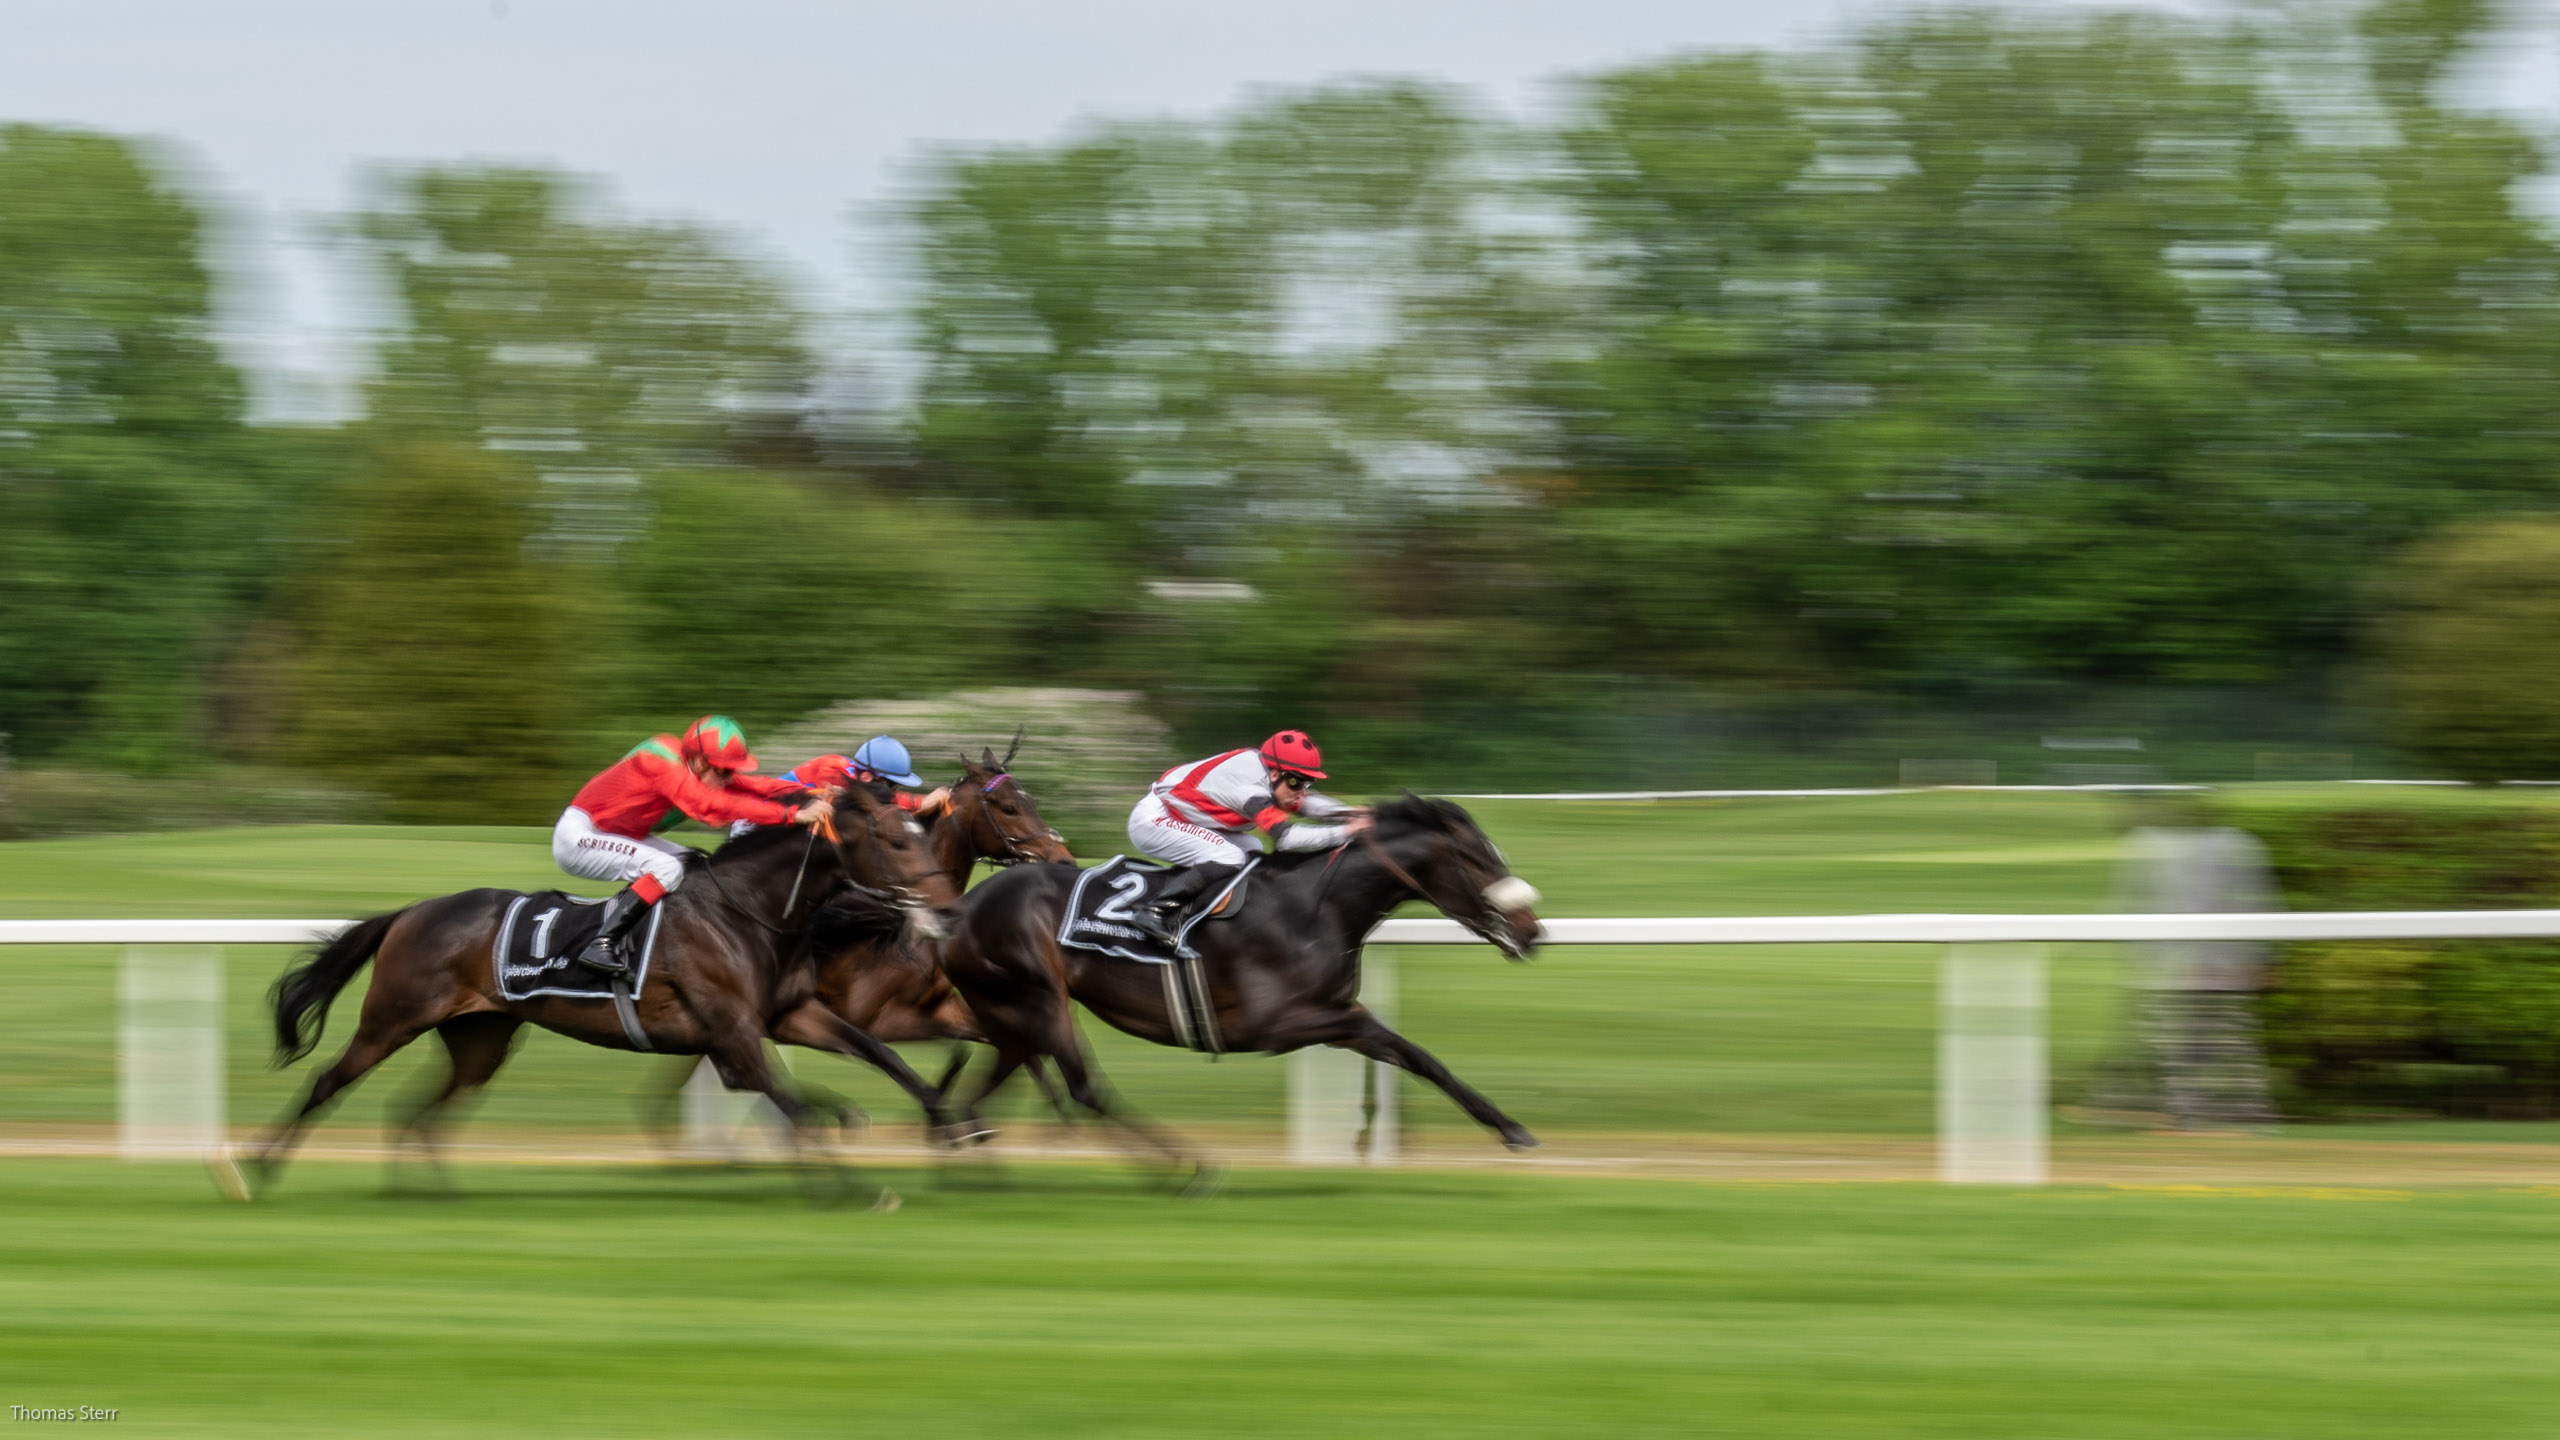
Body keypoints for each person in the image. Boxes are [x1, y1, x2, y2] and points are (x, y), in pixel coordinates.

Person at [553, 715, 832, 973]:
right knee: (666, 869)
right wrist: (791, 815)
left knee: (695, 864)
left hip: (619, 835)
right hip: (581, 836)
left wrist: (813, 791)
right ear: (699, 762)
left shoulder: (699, 767)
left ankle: (661, 937)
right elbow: (707, 806)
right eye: (725, 771)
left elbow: (756, 786)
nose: (729, 778)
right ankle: (601, 944)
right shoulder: (661, 762)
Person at [1124, 730, 1371, 947]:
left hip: (1182, 817)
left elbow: (1308, 804)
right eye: (1296, 782)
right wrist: (1348, 830)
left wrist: (1350, 814)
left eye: (1307, 783)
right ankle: (1153, 910)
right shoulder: (1249, 790)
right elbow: (1287, 839)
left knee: (1252, 848)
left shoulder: (1271, 775)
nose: (1300, 792)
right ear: (1275, 774)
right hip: (1154, 820)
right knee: (1228, 856)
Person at [725, 736, 953, 838]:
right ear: (866, 778)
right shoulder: (832, 768)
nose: (892, 791)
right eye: (891, 785)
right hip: (753, 825)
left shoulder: (855, 774)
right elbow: (876, 800)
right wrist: (922, 801)